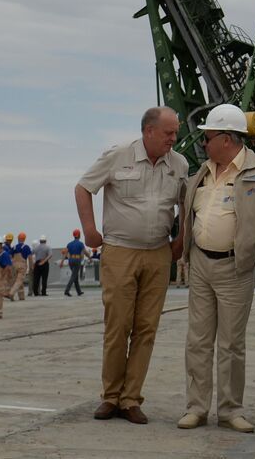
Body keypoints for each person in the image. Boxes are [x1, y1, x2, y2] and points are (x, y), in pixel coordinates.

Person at [177, 103, 255, 434]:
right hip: (200, 265)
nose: (203, 143)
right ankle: (196, 408)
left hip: (235, 268)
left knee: (230, 343)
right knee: (197, 341)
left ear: (227, 139)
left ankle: (230, 410)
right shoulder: (201, 173)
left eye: (208, 138)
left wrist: (253, 249)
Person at [76, 106, 190, 425]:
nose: (173, 138)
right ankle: (110, 396)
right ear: (148, 131)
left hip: (157, 254)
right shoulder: (118, 156)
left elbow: (186, 203)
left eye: (175, 132)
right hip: (120, 252)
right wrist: (89, 231)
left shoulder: (179, 164)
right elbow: (83, 188)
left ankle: (131, 399)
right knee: (118, 325)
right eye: (168, 132)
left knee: (146, 329)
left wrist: (181, 240)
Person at [64, 230, 87, 296]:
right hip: (77, 260)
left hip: (70, 260)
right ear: (79, 235)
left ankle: (79, 291)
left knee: (75, 275)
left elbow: (65, 254)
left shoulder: (69, 244)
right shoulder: (80, 244)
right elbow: (85, 252)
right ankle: (67, 290)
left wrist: (62, 261)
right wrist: (90, 258)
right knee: (74, 276)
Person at [11, 232, 32, 301]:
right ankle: (11, 293)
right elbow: (30, 257)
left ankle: (21, 297)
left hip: (14, 265)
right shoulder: (26, 247)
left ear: (18, 239)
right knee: (19, 280)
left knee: (17, 281)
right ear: (24, 239)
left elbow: (10, 257)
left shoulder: (14, 247)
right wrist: (31, 266)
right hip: (22, 265)